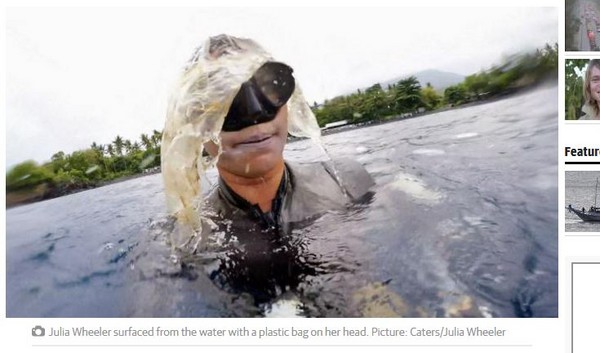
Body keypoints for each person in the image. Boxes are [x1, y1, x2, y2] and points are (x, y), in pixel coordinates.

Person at [160, 34, 374, 308]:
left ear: (288, 101)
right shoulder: (184, 238)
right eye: (223, 98)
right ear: (197, 125)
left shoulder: (347, 180)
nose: (255, 113)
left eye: (268, 86)